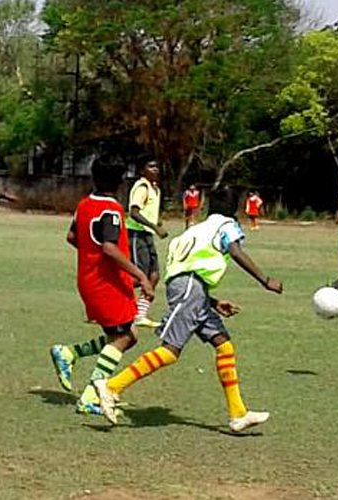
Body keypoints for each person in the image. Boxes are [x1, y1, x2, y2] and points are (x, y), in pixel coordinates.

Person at [94, 185, 283, 433]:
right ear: (235, 209)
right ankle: (112, 386)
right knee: (170, 351)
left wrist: (211, 301)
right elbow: (235, 250)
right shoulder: (227, 224)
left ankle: (238, 414)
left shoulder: (193, 231)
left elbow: (183, 272)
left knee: (224, 345)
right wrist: (265, 280)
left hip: (191, 289)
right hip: (191, 289)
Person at [50, 157, 154, 415]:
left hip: (91, 279)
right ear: (120, 182)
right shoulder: (112, 209)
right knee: (124, 337)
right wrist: (140, 275)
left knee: (127, 335)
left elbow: (72, 236)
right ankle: (90, 397)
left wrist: (91, 255)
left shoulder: (84, 204)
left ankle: (69, 354)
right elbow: (109, 247)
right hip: (105, 283)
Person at [127, 160, 168, 328]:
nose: (155, 169)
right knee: (139, 277)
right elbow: (134, 212)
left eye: (157, 166)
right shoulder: (142, 187)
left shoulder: (155, 188)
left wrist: (156, 223)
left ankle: (140, 315)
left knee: (154, 276)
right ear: (142, 170)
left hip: (147, 234)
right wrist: (155, 227)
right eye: (151, 167)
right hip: (136, 233)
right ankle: (105, 302)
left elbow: (149, 211)